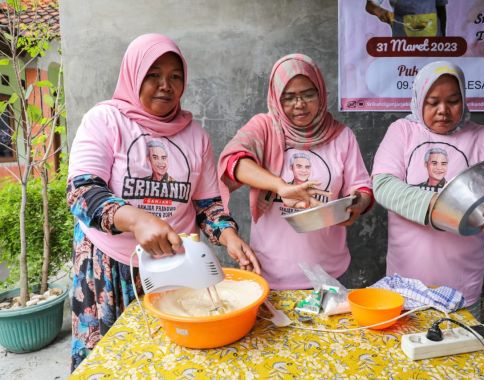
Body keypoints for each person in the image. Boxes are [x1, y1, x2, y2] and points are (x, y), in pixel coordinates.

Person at [67, 34, 260, 371]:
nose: (165, 85)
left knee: (176, 363)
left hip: (177, 268)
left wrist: (228, 236)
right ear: (134, 74)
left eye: (175, 76)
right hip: (110, 270)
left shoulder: (195, 136)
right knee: (115, 365)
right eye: (153, 74)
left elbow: (208, 205)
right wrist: (137, 220)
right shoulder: (105, 121)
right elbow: (82, 191)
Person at [371, 61, 484, 319]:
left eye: (453, 101)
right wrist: (437, 205)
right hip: (406, 283)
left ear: (464, 99)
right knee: (408, 353)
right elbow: (383, 185)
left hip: (463, 286)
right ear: (419, 99)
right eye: (432, 102)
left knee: (461, 355)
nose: (443, 110)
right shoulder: (402, 132)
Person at [218, 54, 373, 290]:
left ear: (320, 92)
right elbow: (233, 161)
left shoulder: (342, 136)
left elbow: (362, 187)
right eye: (288, 98)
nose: (299, 104)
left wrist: (357, 204)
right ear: (276, 99)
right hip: (269, 272)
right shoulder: (264, 127)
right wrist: (280, 186)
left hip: (328, 274)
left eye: (308, 94)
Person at [365, 0, 447, 37]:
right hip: (402, 39)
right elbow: (370, 5)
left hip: (434, 38)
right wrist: (380, 11)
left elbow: (441, 8)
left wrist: (443, 39)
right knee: (405, 69)